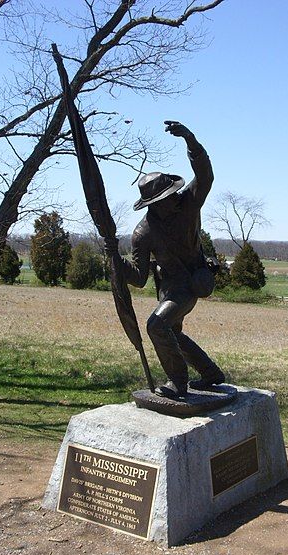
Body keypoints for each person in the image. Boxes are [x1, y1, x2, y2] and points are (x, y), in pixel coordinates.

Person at [107, 121, 224, 400]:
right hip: (169, 288)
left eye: (171, 195)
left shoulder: (188, 204)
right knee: (171, 332)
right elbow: (137, 277)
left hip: (192, 282)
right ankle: (210, 374)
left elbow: (205, 176)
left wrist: (191, 141)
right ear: (154, 204)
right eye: (165, 198)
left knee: (156, 326)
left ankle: (178, 383)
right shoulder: (142, 233)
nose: (172, 200)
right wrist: (114, 256)